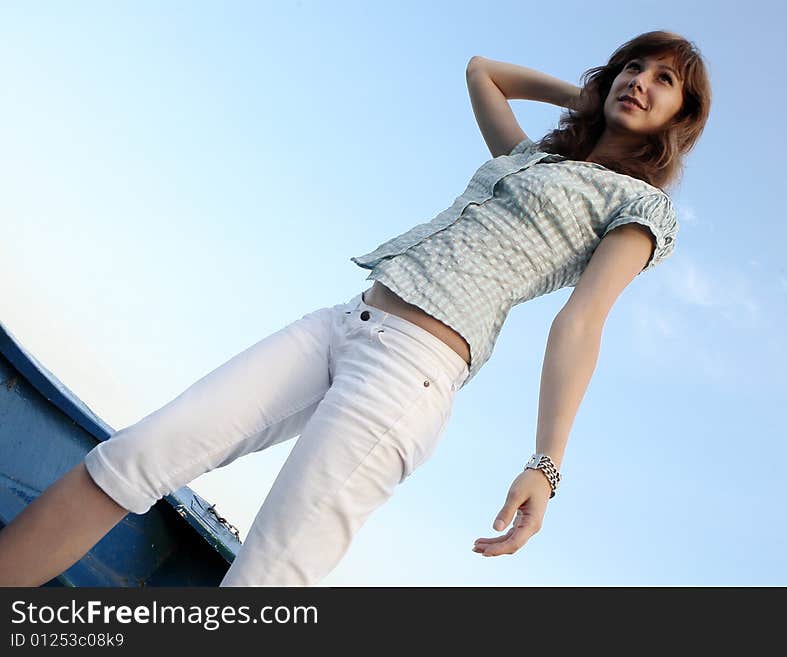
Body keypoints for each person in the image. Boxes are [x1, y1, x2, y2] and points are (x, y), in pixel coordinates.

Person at [0, 29, 711, 586]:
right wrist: (582, 102)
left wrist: (546, 465)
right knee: (133, 455)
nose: (639, 82)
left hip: (411, 375)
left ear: (682, 116)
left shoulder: (638, 205)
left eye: (664, 80)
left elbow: (581, 322)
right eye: (632, 67)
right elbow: (482, 71)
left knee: (267, 577)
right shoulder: (533, 160)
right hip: (342, 323)